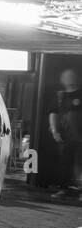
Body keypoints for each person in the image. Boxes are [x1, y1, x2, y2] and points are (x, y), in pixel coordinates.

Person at [48, 67, 82, 200]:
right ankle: (63, 189)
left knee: (80, 164)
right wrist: (55, 131)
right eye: (67, 76)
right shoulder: (59, 96)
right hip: (66, 135)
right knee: (65, 163)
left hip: (80, 135)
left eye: (72, 76)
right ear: (62, 80)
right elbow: (53, 113)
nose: (70, 79)